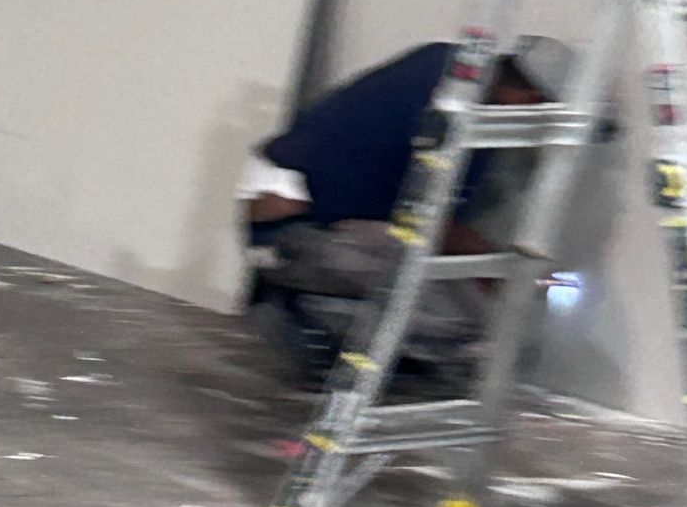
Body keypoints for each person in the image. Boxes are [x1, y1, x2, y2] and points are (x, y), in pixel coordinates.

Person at [240, 36, 570, 382]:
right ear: (529, 98)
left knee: (449, 308)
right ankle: (299, 317)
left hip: (326, 223)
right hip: (294, 233)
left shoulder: (454, 71)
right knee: (461, 331)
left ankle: (325, 316)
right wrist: (508, 275)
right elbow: (434, 222)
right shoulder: (448, 110)